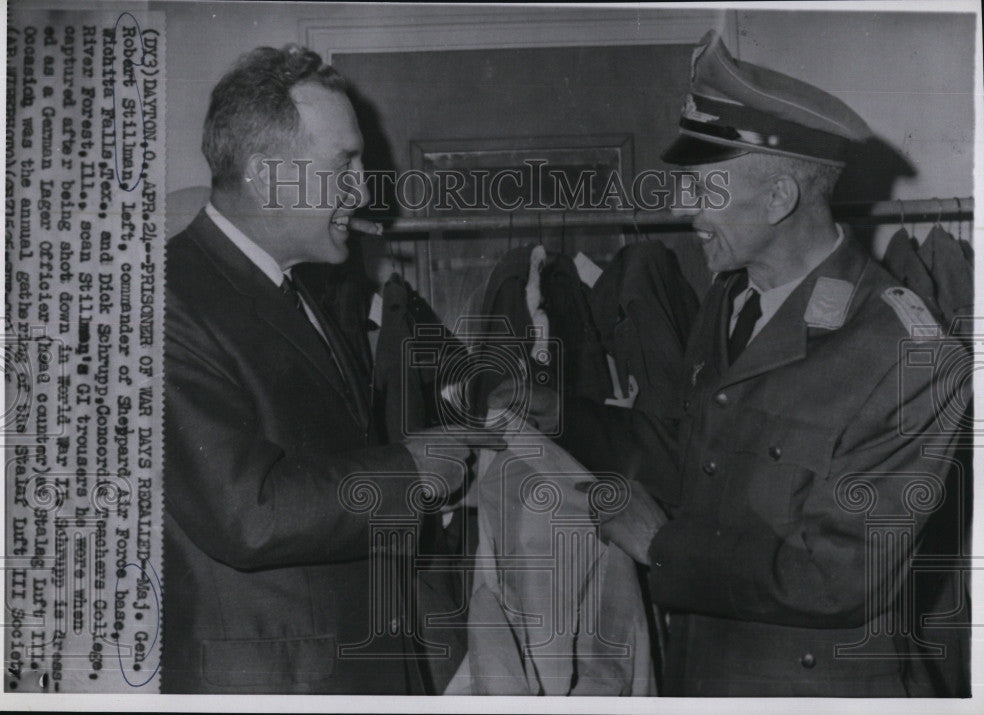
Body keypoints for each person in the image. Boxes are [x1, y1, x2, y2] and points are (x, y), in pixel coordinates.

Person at [550, 31, 968, 696]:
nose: (681, 208)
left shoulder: (909, 356)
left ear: (779, 199)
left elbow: (839, 574)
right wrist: (553, 413)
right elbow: (687, 449)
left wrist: (661, 546)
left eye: (701, 188)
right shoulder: (730, 300)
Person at [162, 45, 492, 694]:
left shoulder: (301, 290)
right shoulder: (167, 295)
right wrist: (411, 470)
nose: (364, 189)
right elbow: (247, 511)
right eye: (344, 163)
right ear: (267, 175)